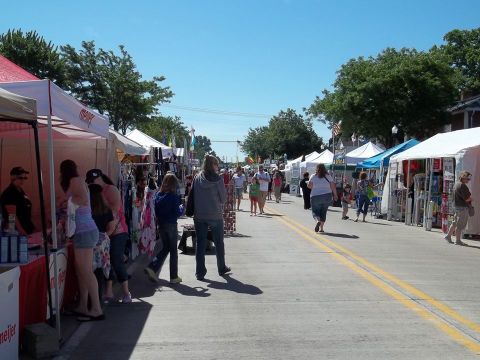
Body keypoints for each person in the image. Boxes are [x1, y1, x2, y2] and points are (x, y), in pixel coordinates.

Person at [60, 160, 104, 321]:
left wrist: (68, 202)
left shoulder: (75, 181)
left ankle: (96, 309)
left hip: (85, 230)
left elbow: (83, 200)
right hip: (84, 231)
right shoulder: (77, 181)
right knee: (81, 271)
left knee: (86, 271)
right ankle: (83, 306)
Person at [86, 169, 132, 303]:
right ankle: (108, 292)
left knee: (116, 260)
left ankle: (126, 292)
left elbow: (115, 212)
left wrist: (106, 234)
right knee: (106, 262)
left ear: (98, 179)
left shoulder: (111, 190)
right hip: (103, 233)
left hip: (117, 231)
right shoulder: (94, 192)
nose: (90, 184)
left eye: (91, 181)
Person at [192, 155, 230, 280]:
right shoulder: (218, 179)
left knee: (200, 243)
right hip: (215, 215)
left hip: (199, 215)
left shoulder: (197, 178)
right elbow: (224, 198)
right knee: (219, 242)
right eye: (216, 164)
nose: (217, 167)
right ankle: (221, 267)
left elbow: (192, 195)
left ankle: (200, 272)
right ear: (212, 165)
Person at [144, 173, 183, 283]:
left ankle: (152, 267)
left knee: (166, 248)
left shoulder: (158, 196)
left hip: (161, 225)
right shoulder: (173, 197)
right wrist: (181, 208)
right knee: (173, 251)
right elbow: (177, 213)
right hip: (171, 225)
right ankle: (173, 276)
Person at [88, 184, 114, 304]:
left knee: (90, 271)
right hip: (102, 243)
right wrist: (103, 237)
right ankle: (99, 297)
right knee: (101, 269)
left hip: (89, 242)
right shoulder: (106, 208)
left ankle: (93, 300)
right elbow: (111, 227)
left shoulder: (87, 209)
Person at [0, 167, 35, 235]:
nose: (23, 180)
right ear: (13, 178)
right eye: (20, 178)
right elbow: (12, 216)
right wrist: (21, 232)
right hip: (17, 232)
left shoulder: (20, 191)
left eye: (24, 178)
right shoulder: (9, 193)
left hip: (26, 228)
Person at [445, 171, 473, 246]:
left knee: (454, 222)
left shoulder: (456, 184)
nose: (468, 180)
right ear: (463, 177)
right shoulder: (462, 186)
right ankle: (457, 240)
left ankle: (448, 236)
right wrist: (471, 199)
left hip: (456, 206)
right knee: (459, 225)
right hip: (462, 207)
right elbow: (467, 199)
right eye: (468, 179)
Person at [308, 164, 338, 233]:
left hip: (315, 196)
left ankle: (317, 221)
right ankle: (321, 228)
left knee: (315, 211)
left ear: (317, 169)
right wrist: (335, 195)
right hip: (327, 196)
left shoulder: (313, 176)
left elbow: (309, 186)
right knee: (323, 212)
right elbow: (333, 186)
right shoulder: (328, 176)